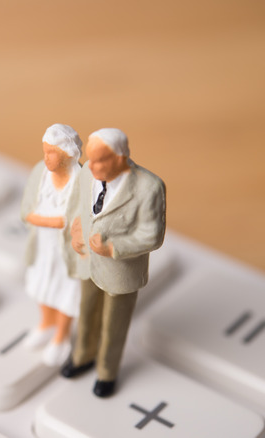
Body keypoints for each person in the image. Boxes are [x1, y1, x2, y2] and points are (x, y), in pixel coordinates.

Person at [63, 128, 166, 397]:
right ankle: (83, 356)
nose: (91, 166)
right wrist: (76, 228)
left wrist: (113, 248)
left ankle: (106, 372)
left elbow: (152, 235)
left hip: (121, 272)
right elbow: (78, 206)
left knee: (114, 325)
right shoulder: (87, 173)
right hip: (89, 262)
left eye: (100, 161)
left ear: (120, 158)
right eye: (90, 158)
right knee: (86, 311)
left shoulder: (149, 187)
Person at [20, 124, 87, 366]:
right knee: (42, 284)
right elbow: (26, 211)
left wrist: (52, 221)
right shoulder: (40, 172)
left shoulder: (82, 181)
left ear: (67, 154)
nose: (46, 157)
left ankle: (62, 335)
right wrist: (54, 221)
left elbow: (80, 220)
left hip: (68, 251)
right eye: (44, 151)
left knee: (66, 291)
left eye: (51, 153)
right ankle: (46, 323)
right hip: (42, 244)